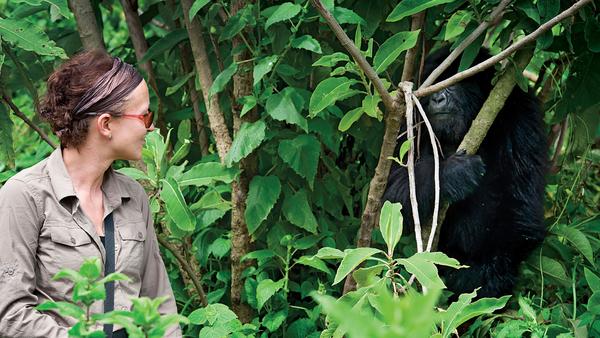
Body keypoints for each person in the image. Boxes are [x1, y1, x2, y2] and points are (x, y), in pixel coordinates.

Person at [0, 50, 182, 337]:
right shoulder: (24, 196)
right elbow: (10, 314)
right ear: (106, 124)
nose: (152, 127)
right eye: (145, 116)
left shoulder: (134, 197)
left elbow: (159, 304)